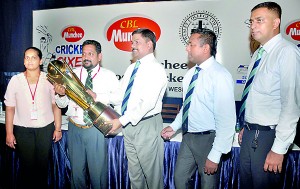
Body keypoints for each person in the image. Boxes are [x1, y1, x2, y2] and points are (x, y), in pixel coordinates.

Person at [161, 28, 236, 188]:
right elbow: (187, 107)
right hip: (188, 138)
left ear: (205, 48)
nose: (187, 48)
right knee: (179, 180)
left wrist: (215, 155)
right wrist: (173, 127)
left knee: (208, 185)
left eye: (191, 44)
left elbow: (227, 120)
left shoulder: (220, 75)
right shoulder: (190, 74)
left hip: (209, 139)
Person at [238, 2, 300, 189]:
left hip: (269, 137)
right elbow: (255, 96)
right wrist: (246, 125)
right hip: (250, 133)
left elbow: (291, 105)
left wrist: (279, 149)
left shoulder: (287, 52)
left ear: (276, 23)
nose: (253, 26)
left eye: (259, 20)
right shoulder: (258, 53)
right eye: (251, 21)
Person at [54, 39, 119, 189]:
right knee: (77, 174)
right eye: (84, 54)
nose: (86, 57)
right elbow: (62, 105)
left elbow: (119, 99)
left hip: (96, 128)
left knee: (98, 175)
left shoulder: (109, 76)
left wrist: (98, 96)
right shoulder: (71, 75)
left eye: (91, 53)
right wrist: (61, 95)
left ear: (99, 56)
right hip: (74, 128)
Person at [108, 28, 168, 189]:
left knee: (152, 177)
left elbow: (146, 104)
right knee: (135, 175)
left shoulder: (156, 70)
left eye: (137, 42)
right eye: (132, 42)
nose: (132, 46)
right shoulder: (132, 68)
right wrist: (97, 96)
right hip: (129, 124)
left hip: (146, 125)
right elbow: (120, 94)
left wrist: (120, 121)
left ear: (149, 44)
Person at [5, 47, 62, 189]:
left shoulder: (49, 79)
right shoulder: (15, 80)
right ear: (24, 61)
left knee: (42, 167)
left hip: (45, 128)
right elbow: (10, 108)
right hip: (23, 130)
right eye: (27, 57)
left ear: (41, 60)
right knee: (27, 167)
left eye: (33, 57)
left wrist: (58, 128)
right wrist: (9, 133)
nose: (29, 60)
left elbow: (56, 105)